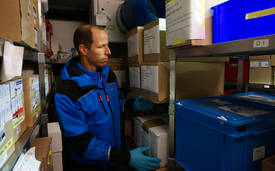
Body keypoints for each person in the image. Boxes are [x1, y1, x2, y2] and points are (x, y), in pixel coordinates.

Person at [54, 25, 162, 171]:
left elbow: (112, 104)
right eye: (101, 46)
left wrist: (132, 105)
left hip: (113, 158)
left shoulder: (107, 74)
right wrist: (127, 157)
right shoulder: (67, 93)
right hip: (89, 166)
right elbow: (82, 144)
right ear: (83, 49)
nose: (108, 52)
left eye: (108, 45)